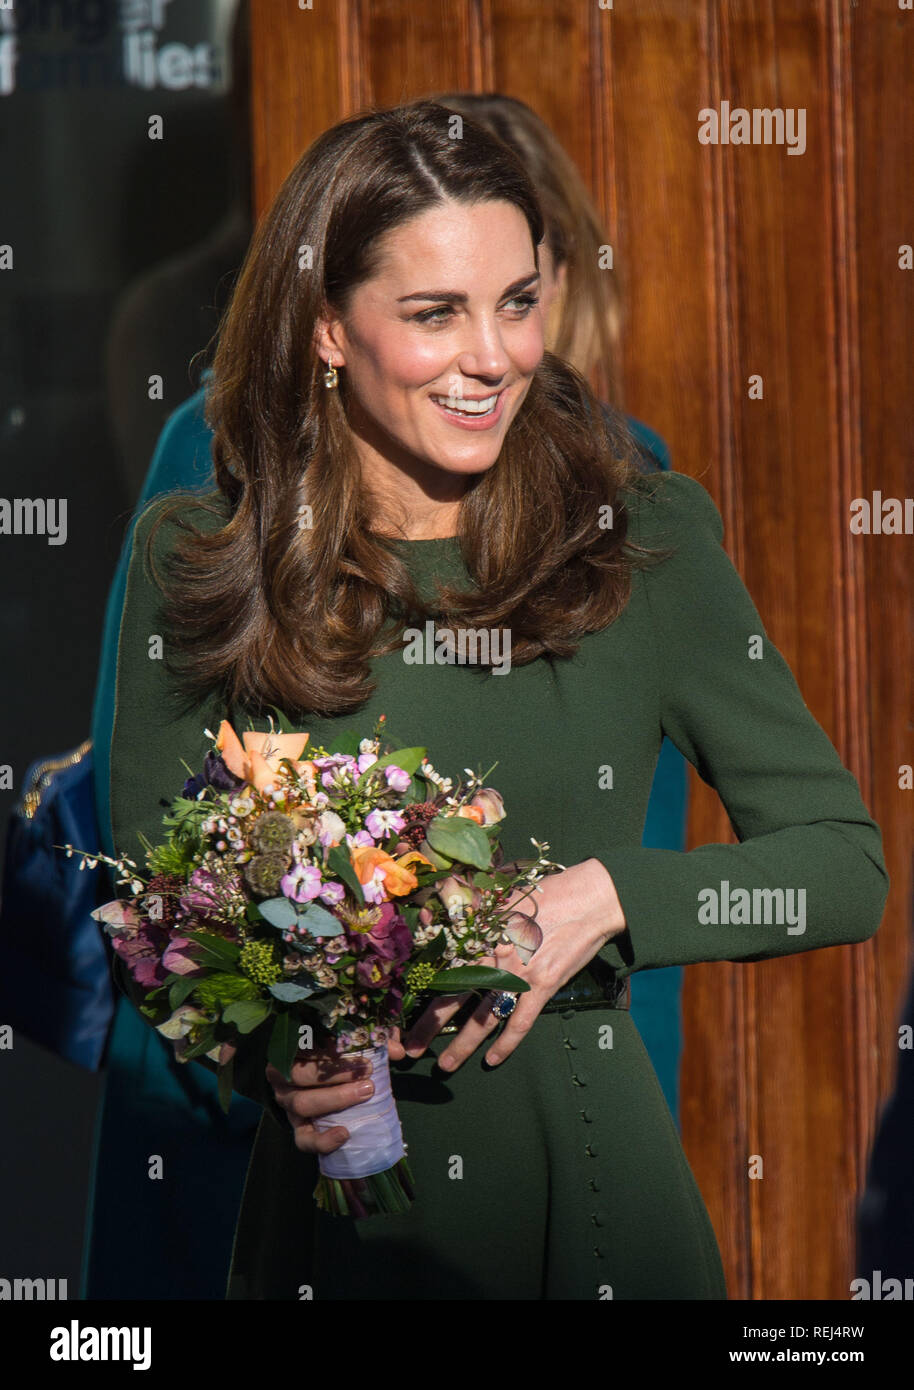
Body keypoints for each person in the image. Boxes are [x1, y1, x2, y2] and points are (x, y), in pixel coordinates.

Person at [107, 101, 888, 1299]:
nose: (494, 355)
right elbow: (162, 917)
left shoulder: (640, 534)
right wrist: (282, 1051)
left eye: (515, 303)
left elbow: (840, 862)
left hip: (595, 1207)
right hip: (336, 1229)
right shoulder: (204, 558)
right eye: (435, 314)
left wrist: (610, 895)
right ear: (326, 325)